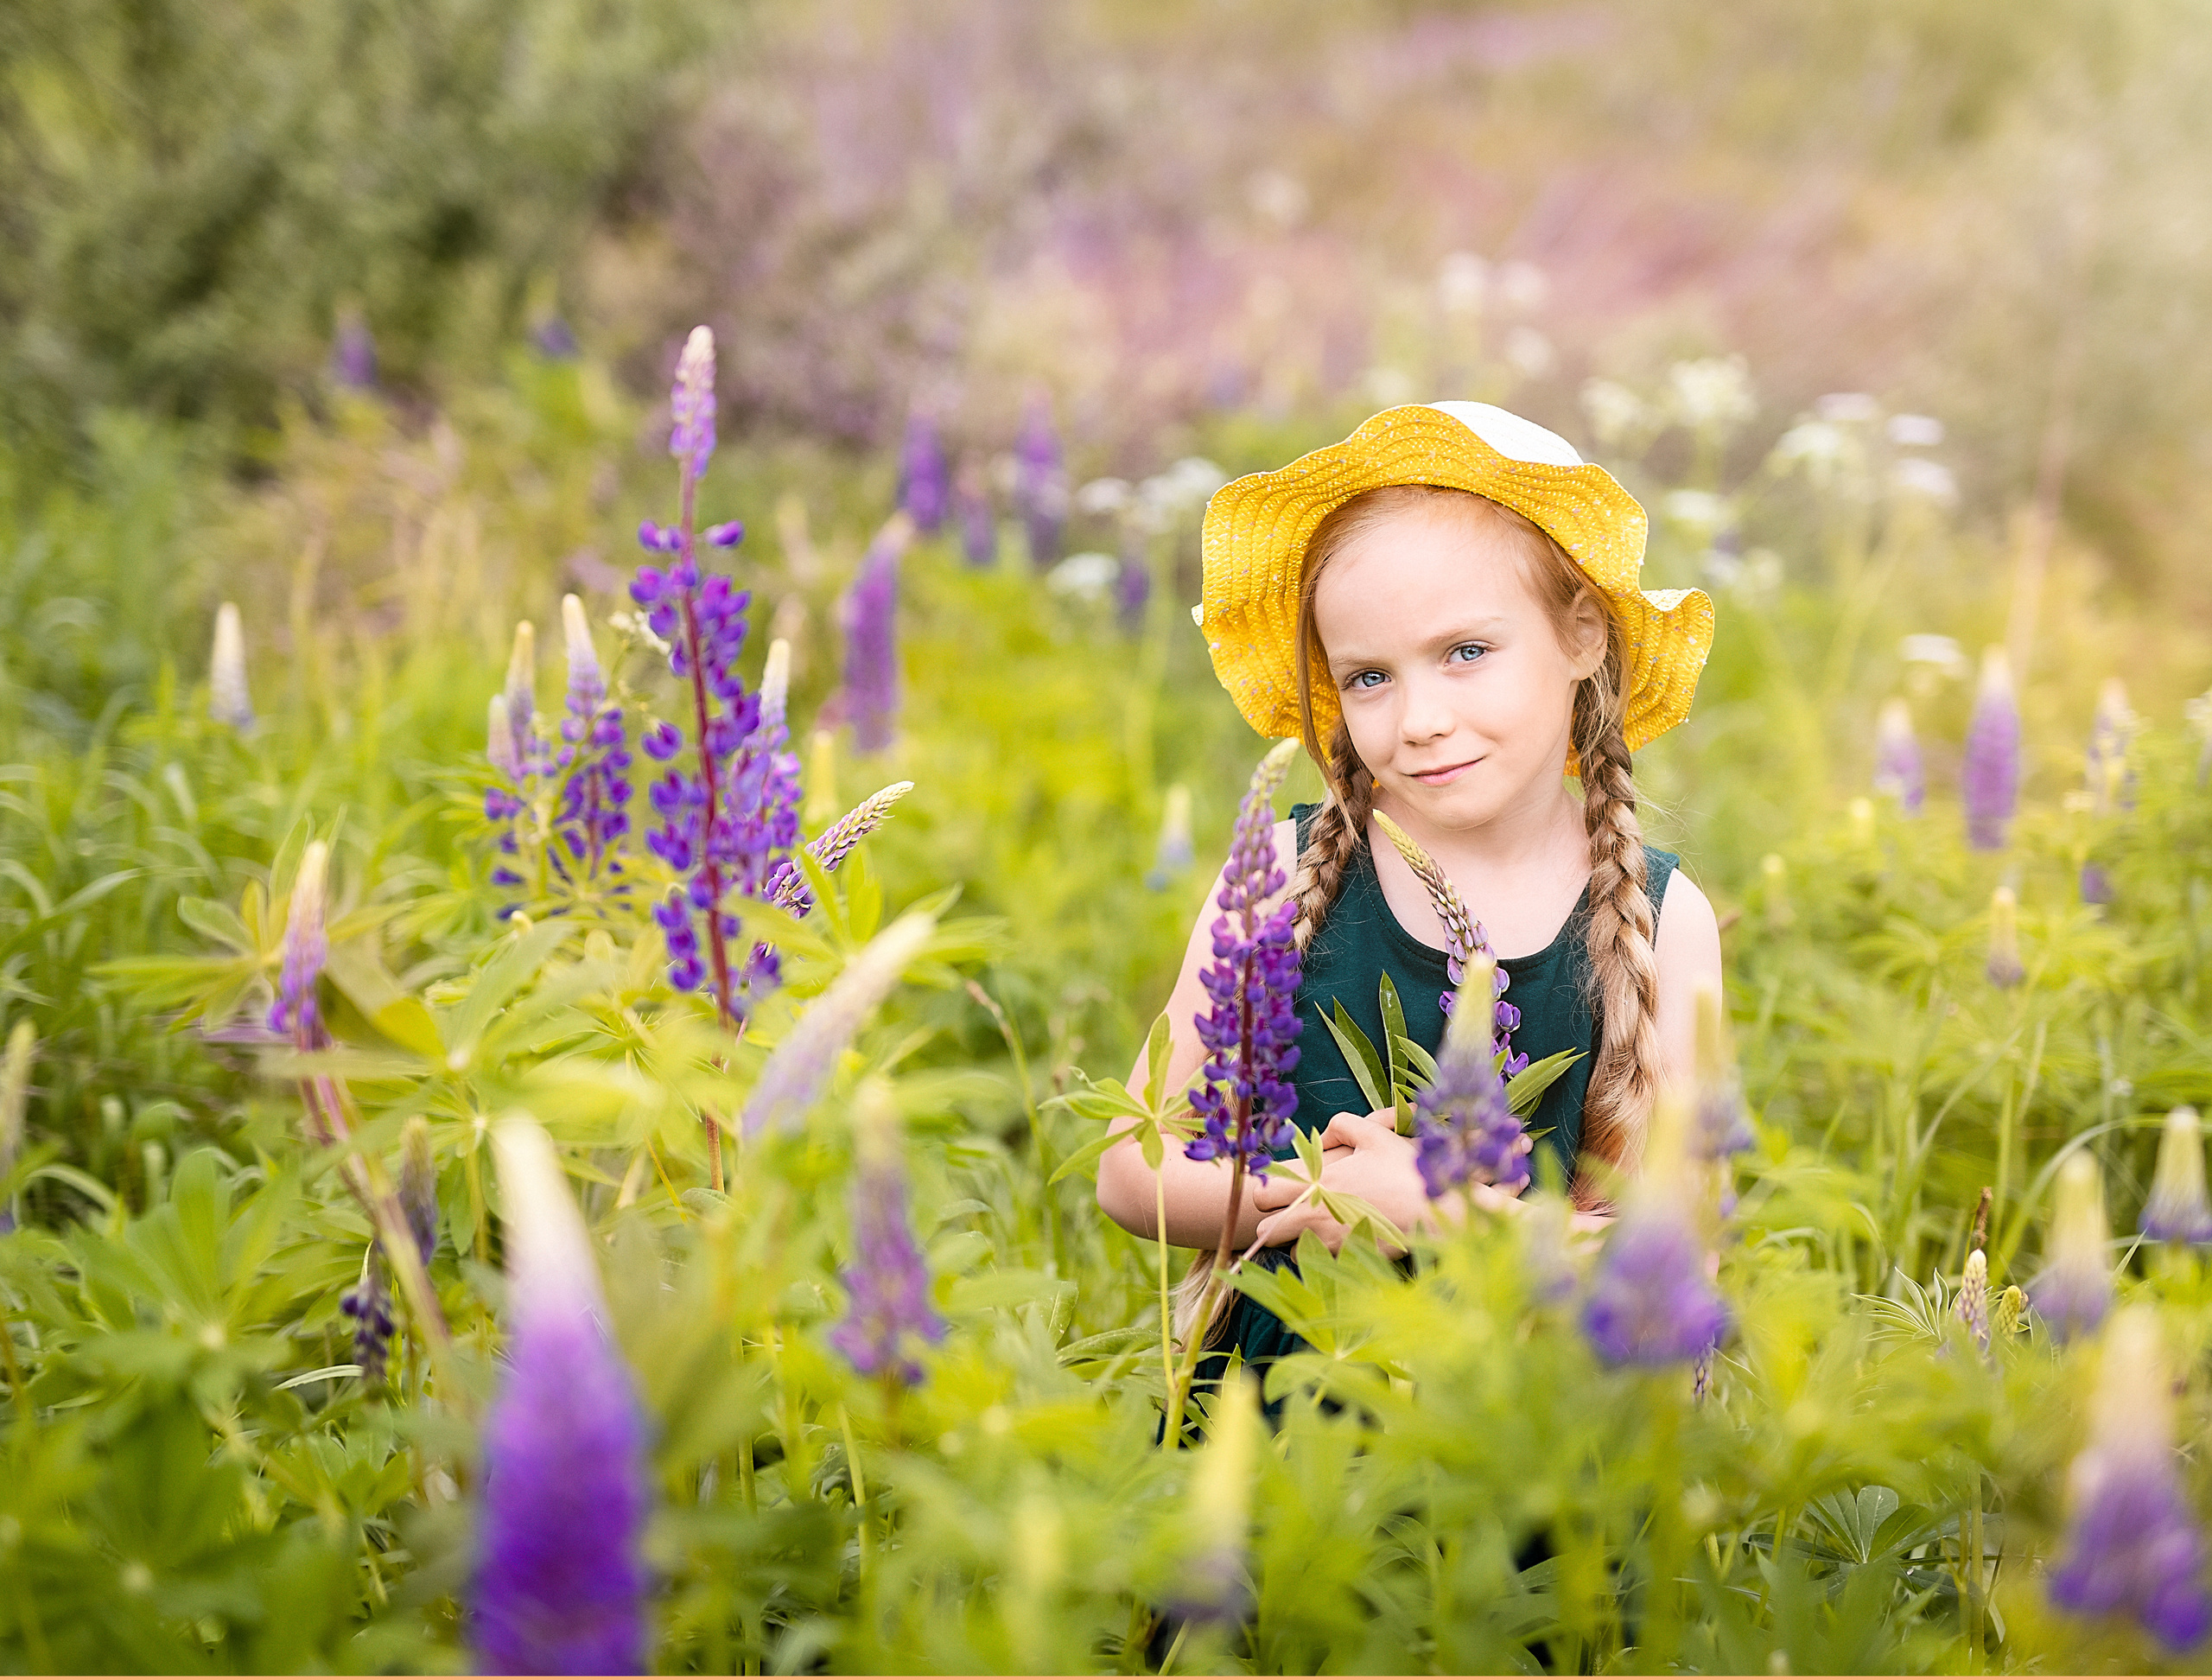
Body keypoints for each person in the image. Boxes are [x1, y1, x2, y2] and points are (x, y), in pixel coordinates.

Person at [1095, 399, 1724, 1390]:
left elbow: (1680, 1261)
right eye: (1369, 676)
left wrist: (1436, 1208)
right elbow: (1131, 1168)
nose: (1419, 719)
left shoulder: (1657, 916)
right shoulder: (1280, 875)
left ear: (1583, 636)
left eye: (1466, 653)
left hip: (1527, 1447)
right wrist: (1314, 1194)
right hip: (1285, 1432)